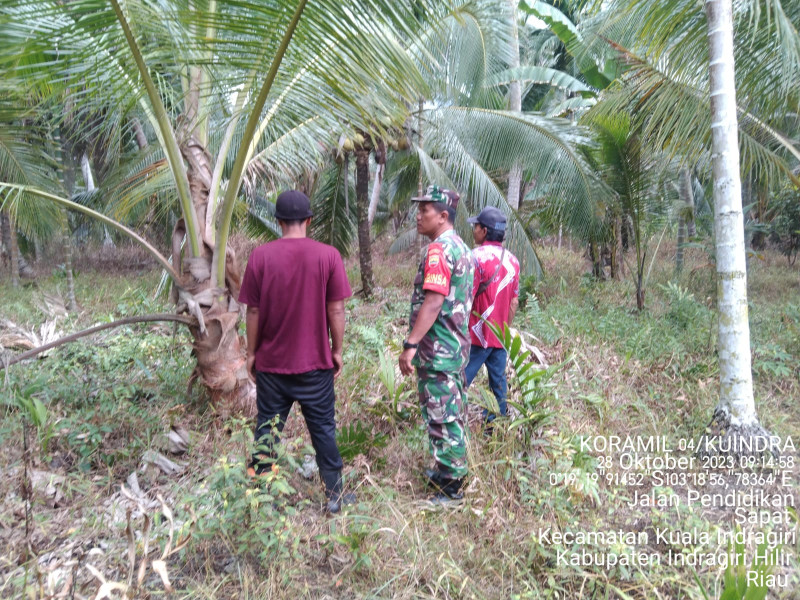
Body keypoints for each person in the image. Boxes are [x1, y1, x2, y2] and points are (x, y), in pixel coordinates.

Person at [238, 189, 355, 513]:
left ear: (277, 221)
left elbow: (253, 312)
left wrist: (251, 353)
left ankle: (260, 497)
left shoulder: (260, 256)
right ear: (308, 220)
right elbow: (336, 310)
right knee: (323, 430)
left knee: (267, 431)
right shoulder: (328, 255)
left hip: (272, 367)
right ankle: (334, 495)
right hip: (315, 366)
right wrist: (337, 349)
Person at [398, 185, 474, 501]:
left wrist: (411, 343)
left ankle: (452, 487)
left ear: (443, 216)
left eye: (425, 210)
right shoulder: (461, 248)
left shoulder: (439, 251)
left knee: (443, 413)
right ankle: (446, 471)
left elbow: (433, 301)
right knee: (451, 409)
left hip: (438, 348)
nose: (418, 215)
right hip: (453, 347)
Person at [465, 206, 520, 424]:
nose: (474, 229)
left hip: (476, 335)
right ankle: (495, 429)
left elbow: (466, 297)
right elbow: (514, 301)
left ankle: (453, 428)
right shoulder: (513, 261)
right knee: (498, 387)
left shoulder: (475, 257)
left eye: (476, 226)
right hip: (499, 336)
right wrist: (503, 331)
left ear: (485, 231)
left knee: (460, 382)